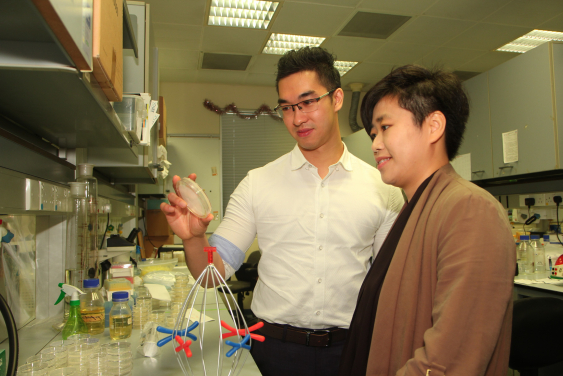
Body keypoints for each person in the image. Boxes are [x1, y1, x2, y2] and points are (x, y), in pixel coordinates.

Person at [160, 47, 404, 375]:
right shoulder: (258, 183)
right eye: (287, 107)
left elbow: (392, 283)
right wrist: (194, 239)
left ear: (337, 99)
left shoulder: (383, 188)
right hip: (275, 351)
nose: (297, 117)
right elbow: (213, 275)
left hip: (352, 350)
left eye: (308, 102)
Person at [337, 65, 515, 376]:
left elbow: (451, 358)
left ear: (433, 126)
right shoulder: (413, 210)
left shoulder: (470, 210)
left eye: (385, 127)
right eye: (373, 133)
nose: (375, 143)